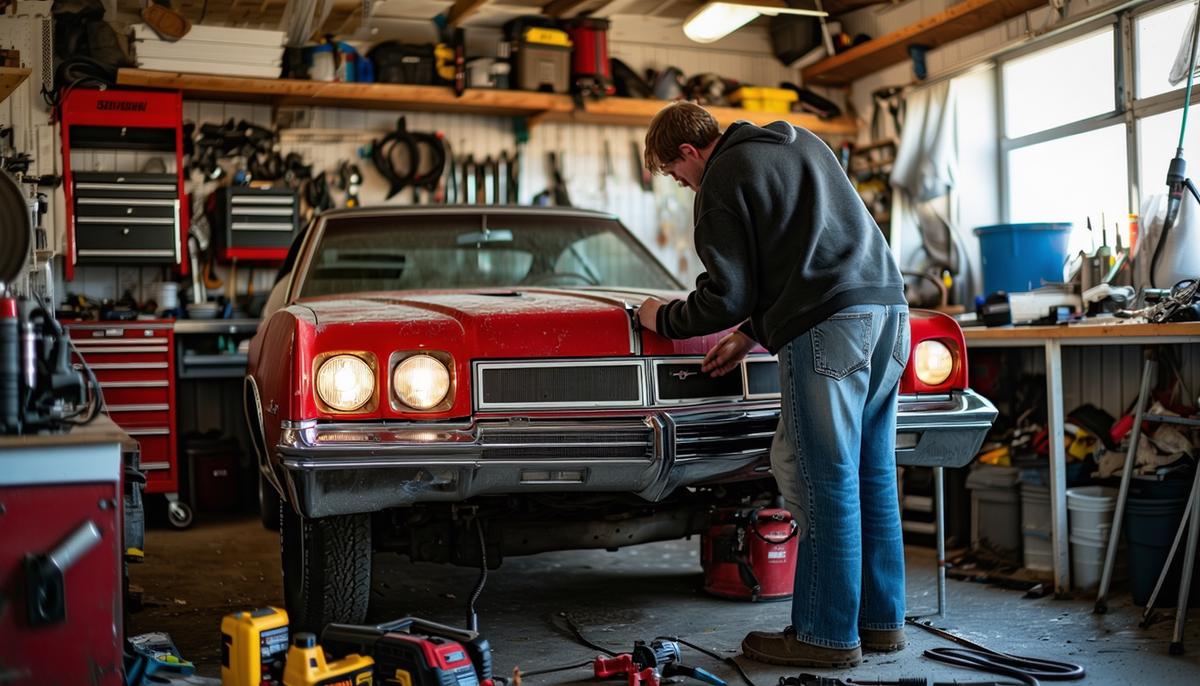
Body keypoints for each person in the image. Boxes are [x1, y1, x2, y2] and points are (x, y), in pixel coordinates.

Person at [636, 102, 910, 668]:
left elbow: (727, 293)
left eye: (672, 172)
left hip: (830, 330)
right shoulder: (797, 142)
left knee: (824, 481)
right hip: (889, 315)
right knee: (872, 474)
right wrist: (751, 331)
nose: (679, 183)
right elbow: (808, 251)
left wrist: (659, 317)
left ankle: (825, 636)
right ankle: (880, 624)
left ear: (689, 152)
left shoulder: (720, 180)